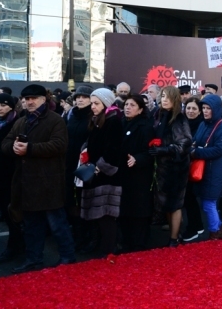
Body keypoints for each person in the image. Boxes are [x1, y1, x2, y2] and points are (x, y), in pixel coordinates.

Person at [2, 84, 75, 274]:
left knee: (57, 225)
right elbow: (6, 142)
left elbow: (59, 145)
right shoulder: (22, 121)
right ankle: (33, 259)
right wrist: (14, 147)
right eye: (26, 99)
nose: (29, 102)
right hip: (27, 184)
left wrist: (30, 149)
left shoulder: (55, 120)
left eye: (33, 98)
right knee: (32, 227)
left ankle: (68, 257)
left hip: (48, 183)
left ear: (44, 99)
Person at [79, 88, 123, 257]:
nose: (93, 107)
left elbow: (113, 150)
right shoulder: (97, 120)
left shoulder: (113, 121)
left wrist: (99, 167)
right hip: (95, 172)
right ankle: (104, 249)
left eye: (96, 103)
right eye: (92, 103)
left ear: (106, 103)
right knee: (99, 215)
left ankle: (109, 251)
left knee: (106, 216)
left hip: (106, 175)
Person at [150, 86, 192, 247]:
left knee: (174, 203)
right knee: (167, 203)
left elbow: (185, 144)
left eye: (168, 97)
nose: (164, 99)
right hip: (161, 167)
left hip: (176, 168)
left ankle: (174, 239)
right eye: (162, 96)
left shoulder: (179, 118)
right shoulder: (158, 114)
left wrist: (163, 150)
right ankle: (174, 235)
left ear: (175, 99)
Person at [0, 93, 23, 264]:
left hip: (13, 175)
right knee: (5, 210)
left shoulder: (17, 123)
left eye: (3, 105)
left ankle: (15, 247)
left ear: (11, 106)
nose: (0, 108)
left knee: (13, 213)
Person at [118, 95, 155, 252]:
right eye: (126, 104)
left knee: (139, 210)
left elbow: (150, 152)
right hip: (123, 173)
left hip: (139, 176)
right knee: (125, 209)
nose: (128, 107)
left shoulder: (145, 127)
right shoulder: (121, 124)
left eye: (132, 105)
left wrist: (138, 159)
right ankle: (126, 241)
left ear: (140, 109)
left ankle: (139, 244)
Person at [190, 94, 222, 239]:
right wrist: (192, 148)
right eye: (204, 108)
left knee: (209, 203)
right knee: (207, 203)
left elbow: (219, 150)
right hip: (203, 169)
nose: (205, 111)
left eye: (209, 108)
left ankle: (214, 233)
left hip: (214, 170)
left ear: (216, 109)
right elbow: (194, 141)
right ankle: (218, 229)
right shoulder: (202, 123)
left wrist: (196, 152)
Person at [64, 85, 94, 252]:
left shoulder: (93, 117)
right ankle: (77, 235)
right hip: (69, 164)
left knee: (85, 202)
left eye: (84, 97)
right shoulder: (72, 115)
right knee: (71, 202)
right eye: (78, 97)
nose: (80, 99)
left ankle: (87, 237)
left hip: (85, 167)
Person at [181, 96, 205, 242]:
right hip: (182, 164)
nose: (190, 111)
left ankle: (194, 227)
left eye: (194, 109)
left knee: (190, 198)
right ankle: (197, 225)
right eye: (188, 108)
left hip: (193, 165)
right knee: (187, 198)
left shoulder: (201, 125)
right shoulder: (182, 123)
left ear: (199, 111)